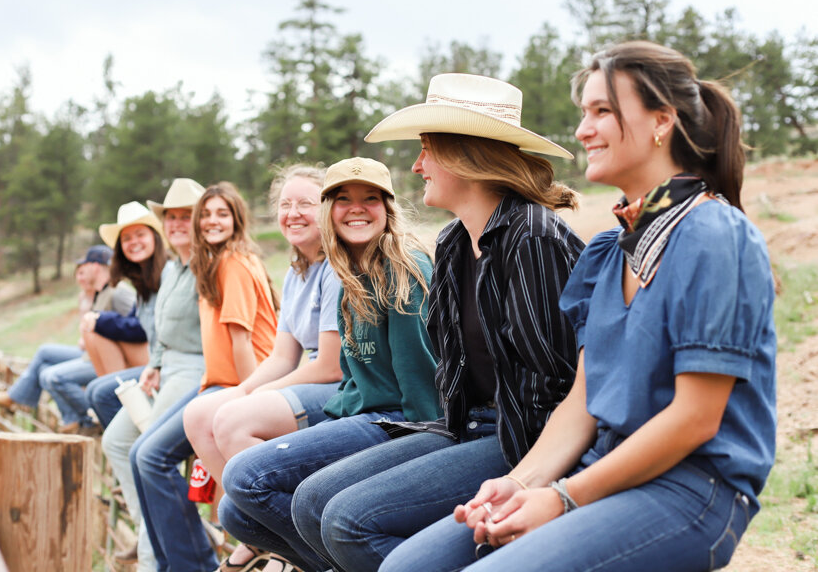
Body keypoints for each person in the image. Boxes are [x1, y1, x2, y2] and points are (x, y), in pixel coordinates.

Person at [381, 41, 777, 572]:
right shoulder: (608, 252)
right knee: (406, 566)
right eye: (583, 113)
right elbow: (582, 401)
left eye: (602, 111)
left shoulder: (714, 235)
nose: (583, 130)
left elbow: (695, 419)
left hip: (690, 487)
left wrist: (563, 498)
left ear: (662, 121)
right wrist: (519, 483)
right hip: (601, 468)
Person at [290, 73, 586, 572]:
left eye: (426, 150)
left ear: (462, 156)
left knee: (346, 520)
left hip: (522, 438)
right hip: (466, 425)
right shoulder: (452, 242)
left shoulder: (533, 238)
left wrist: (524, 481)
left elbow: (556, 384)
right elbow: (453, 368)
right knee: (311, 501)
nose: (416, 165)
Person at [218, 157, 441, 572]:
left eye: (370, 198)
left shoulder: (402, 269)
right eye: (343, 199)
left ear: (387, 208)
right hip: (366, 414)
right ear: (329, 211)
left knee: (247, 478)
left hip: (402, 423)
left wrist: (418, 457)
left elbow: (418, 378)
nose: (357, 209)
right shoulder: (348, 273)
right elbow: (354, 380)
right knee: (235, 513)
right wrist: (330, 425)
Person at [182, 165, 343, 571]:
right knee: (199, 415)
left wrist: (254, 396)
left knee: (234, 421)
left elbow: (329, 366)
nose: (293, 213)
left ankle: (293, 548)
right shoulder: (296, 272)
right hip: (310, 378)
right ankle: (259, 532)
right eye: (285, 205)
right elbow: (282, 356)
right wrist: (243, 389)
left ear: (327, 208)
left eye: (305, 203)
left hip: (341, 387)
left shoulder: (336, 268)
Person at [131, 181, 278, 572]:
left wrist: (248, 398)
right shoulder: (212, 263)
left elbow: (242, 341)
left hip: (239, 384)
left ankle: (192, 562)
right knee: (142, 455)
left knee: (151, 457)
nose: (212, 221)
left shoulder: (233, 262)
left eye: (222, 214)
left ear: (237, 219)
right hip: (218, 382)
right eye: (206, 214)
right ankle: (172, 561)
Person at [95, 193, 188, 570]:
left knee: (110, 403)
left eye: (140, 235)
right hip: (158, 369)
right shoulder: (142, 282)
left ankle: (157, 547)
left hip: (179, 371)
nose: (133, 243)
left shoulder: (170, 273)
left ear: (155, 236)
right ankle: (146, 525)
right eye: (126, 239)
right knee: (114, 436)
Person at [0, 244, 137, 433]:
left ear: (95, 266)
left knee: (52, 375)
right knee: (44, 364)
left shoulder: (119, 292)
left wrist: (112, 349)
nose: (80, 271)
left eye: (85, 266)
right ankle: (68, 417)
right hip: (92, 356)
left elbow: (135, 326)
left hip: (108, 363)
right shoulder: (101, 293)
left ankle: (87, 418)